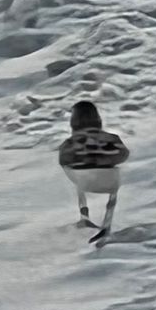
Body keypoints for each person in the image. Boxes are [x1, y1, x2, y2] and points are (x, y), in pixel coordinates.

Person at [58, 99, 129, 242]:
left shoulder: (71, 142)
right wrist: (106, 160)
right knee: (114, 184)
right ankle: (107, 223)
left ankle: (84, 216)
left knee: (76, 177)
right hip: (109, 178)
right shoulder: (111, 138)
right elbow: (124, 154)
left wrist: (81, 162)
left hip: (83, 178)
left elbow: (63, 158)